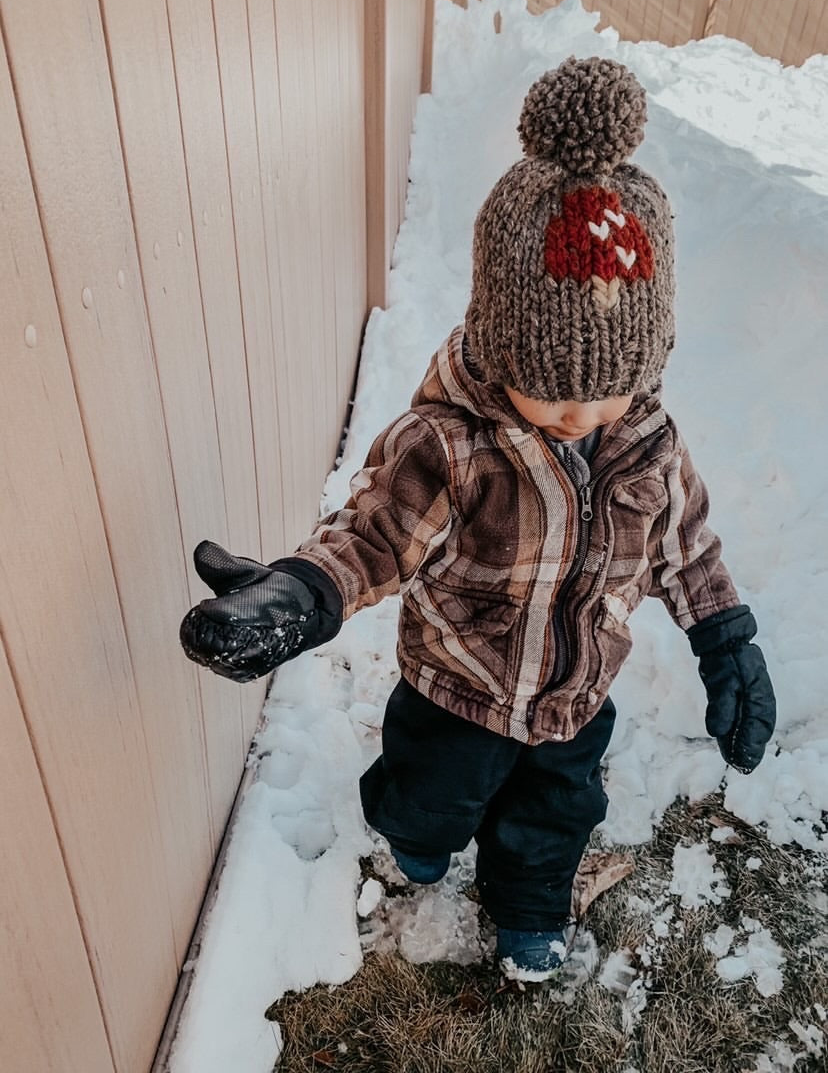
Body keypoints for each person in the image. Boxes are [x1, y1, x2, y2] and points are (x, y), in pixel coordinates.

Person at [180, 56, 776, 982]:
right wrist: (303, 591)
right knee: (428, 799)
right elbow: (374, 531)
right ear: (499, 345)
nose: (582, 415)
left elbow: (684, 541)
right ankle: (414, 847)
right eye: (553, 393)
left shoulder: (647, 438)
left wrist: (726, 638)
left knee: (554, 817)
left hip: (575, 698)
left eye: (609, 390)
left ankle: (530, 912)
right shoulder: (451, 443)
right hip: (456, 688)